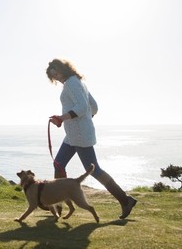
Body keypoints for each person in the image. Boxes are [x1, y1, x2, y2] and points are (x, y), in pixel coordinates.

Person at [46, 58, 137, 219]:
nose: (57, 78)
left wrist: (62, 118)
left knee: (95, 170)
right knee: (59, 164)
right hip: (74, 135)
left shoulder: (71, 83)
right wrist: (83, 121)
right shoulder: (78, 82)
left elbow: (81, 107)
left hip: (79, 136)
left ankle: (125, 200)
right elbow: (93, 107)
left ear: (64, 68)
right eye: (54, 76)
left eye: (57, 73)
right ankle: (58, 206)